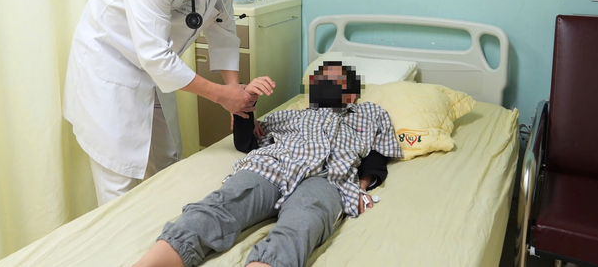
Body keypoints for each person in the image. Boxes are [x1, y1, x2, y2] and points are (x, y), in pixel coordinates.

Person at [63, 0, 285, 206]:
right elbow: (155, 55)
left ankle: (169, 232)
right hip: (110, 71)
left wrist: (237, 99)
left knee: (167, 162)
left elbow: (223, 32)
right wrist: (222, 96)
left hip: (156, 71)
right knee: (120, 182)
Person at [134, 61, 404, 267]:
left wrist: (361, 186)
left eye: (335, 80)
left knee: (303, 223)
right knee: (219, 206)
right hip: (271, 166)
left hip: (328, 178)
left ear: (351, 94)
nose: (326, 83)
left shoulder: (371, 114)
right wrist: (248, 100)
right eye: (321, 79)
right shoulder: (291, 115)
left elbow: (377, 157)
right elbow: (247, 141)